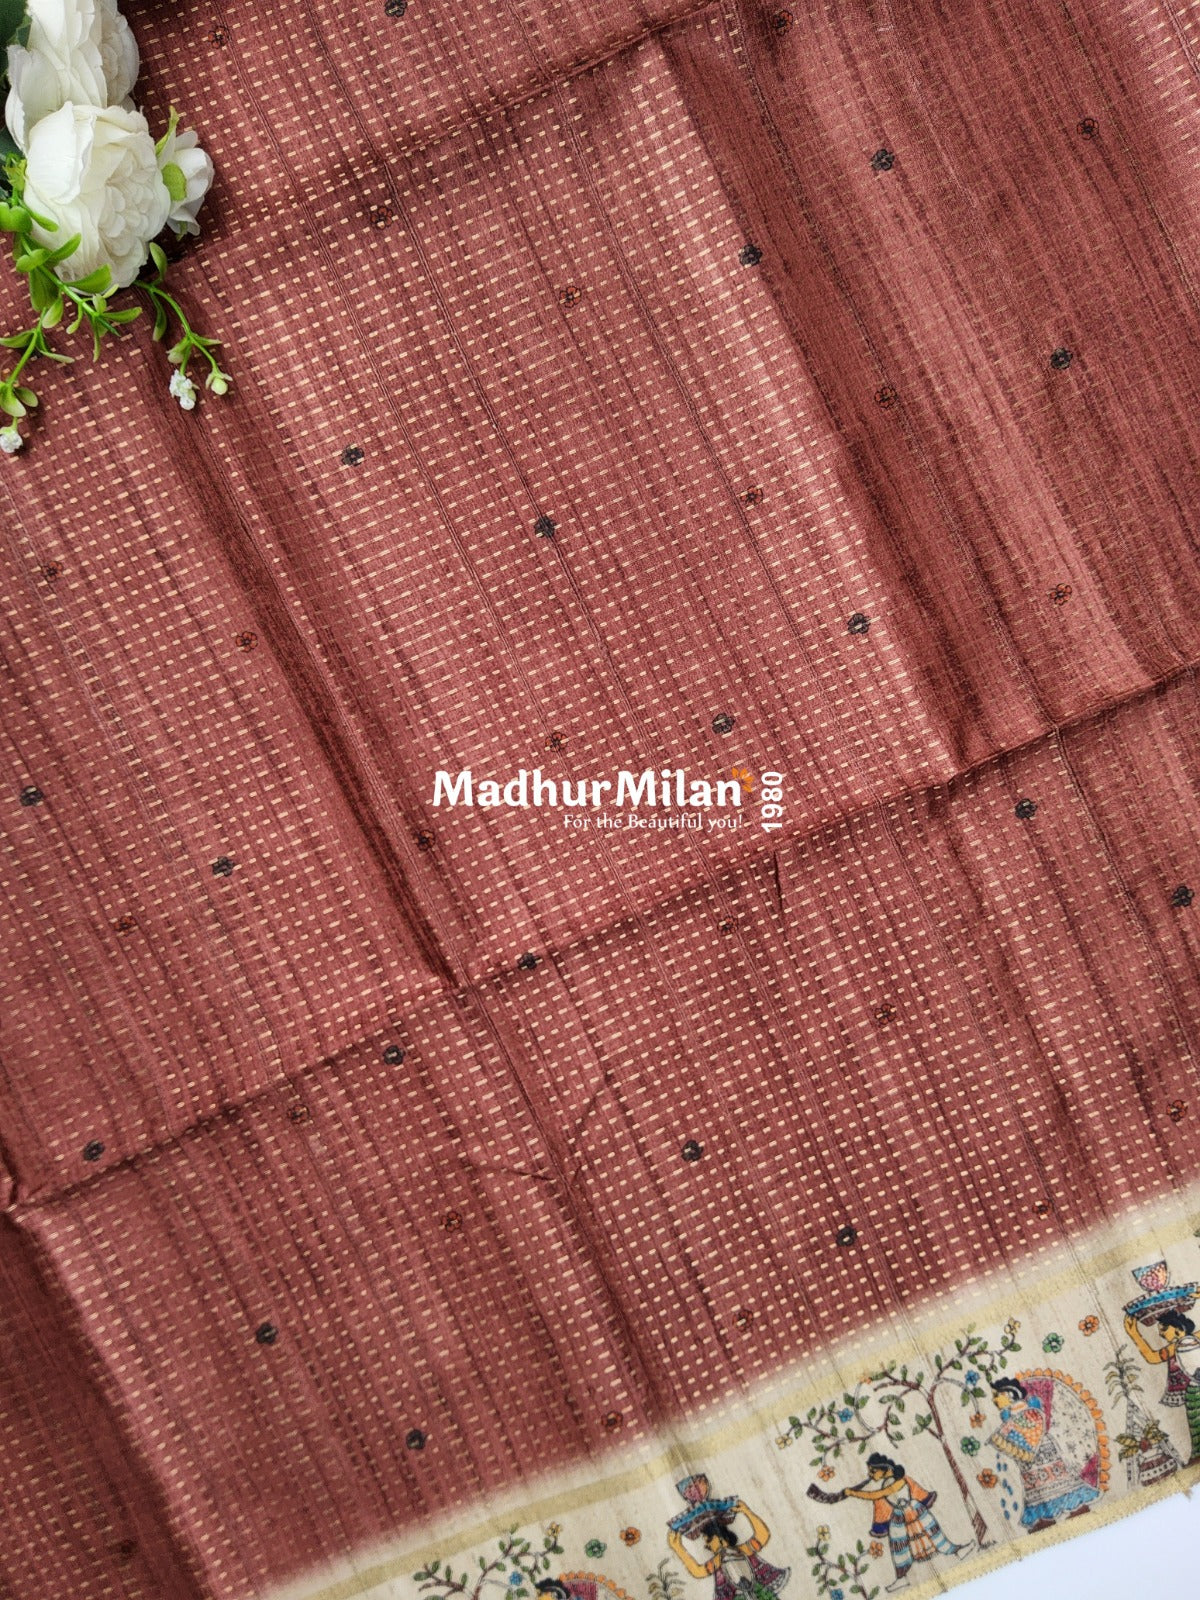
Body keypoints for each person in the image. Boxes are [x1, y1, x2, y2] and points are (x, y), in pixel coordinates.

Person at [831, 1453, 972, 1593]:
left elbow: (876, 1495)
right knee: (899, 1547)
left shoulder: (899, 1480)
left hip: (914, 1512)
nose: (870, 1475)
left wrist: (853, 1493)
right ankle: (901, 1577)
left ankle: (957, 1551)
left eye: (873, 1471)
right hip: (898, 1517)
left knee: (933, 1535)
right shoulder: (887, 1482)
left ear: (886, 1469)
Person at [988, 1378, 1100, 1531]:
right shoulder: (1009, 1415)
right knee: (1037, 1494)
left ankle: (1077, 1515)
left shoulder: (1029, 1409)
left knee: (1061, 1485)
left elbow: (1029, 1432)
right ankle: (1046, 1524)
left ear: (1008, 1394)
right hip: (1028, 1462)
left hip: (1042, 1452)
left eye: (997, 1395)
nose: (994, 1400)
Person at [666, 1475, 789, 1600]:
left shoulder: (739, 1552)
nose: (706, 1545)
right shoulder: (721, 1559)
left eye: (707, 1540)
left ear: (718, 1537)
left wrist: (747, 1511)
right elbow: (698, 1571)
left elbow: (763, 1536)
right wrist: (677, 1547)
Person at [1123, 1305, 1200, 1464]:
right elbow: (1152, 1357)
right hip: (1194, 1392)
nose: (1160, 1333)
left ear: (1178, 1328)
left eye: (1164, 1329)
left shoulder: (1189, 1340)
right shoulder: (1176, 1346)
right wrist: (1133, 1333)